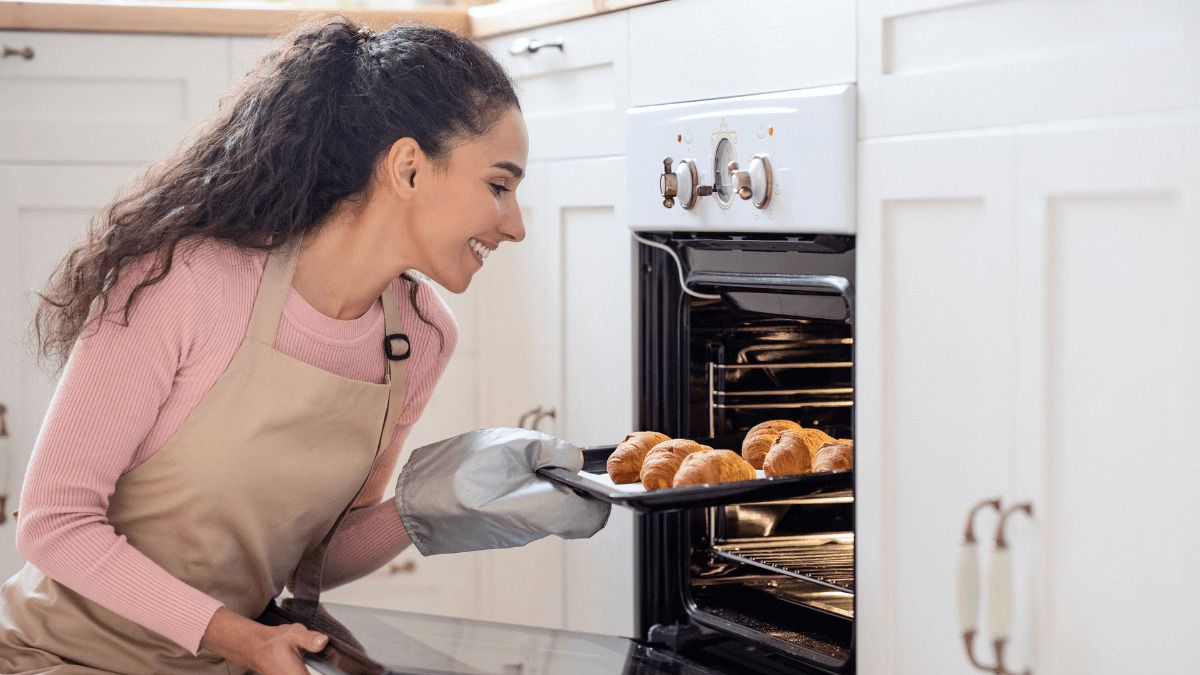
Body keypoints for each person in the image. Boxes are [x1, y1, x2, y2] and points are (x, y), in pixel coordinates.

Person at [0, 19, 607, 674]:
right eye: (499, 185)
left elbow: (309, 562)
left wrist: (429, 505)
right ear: (407, 167)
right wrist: (243, 637)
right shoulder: (190, 281)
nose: (514, 225)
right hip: (56, 655)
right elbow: (54, 522)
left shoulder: (419, 338)